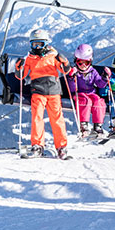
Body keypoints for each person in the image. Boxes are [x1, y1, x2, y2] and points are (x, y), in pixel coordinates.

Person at [15, 29, 70, 159]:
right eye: (34, 44)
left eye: (40, 44)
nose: (37, 47)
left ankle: (61, 147)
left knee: (57, 118)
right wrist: (19, 67)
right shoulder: (29, 58)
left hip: (53, 91)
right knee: (37, 117)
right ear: (31, 45)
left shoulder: (53, 56)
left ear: (46, 44)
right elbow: (21, 76)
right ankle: (37, 146)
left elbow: (65, 70)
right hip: (38, 91)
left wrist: (65, 61)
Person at [69, 43, 110, 136]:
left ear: (90, 62)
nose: (83, 65)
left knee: (99, 101)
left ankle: (98, 126)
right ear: (76, 61)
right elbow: (71, 88)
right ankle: (84, 124)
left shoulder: (93, 71)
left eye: (86, 62)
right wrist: (71, 77)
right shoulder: (75, 72)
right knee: (85, 100)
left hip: (91, 93)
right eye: (80, 62)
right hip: (79, 94)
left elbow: (100, 84)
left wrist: (104, 78)